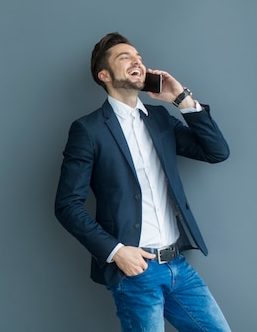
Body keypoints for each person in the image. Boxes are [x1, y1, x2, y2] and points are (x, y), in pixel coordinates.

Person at [54, 32, 231, 332]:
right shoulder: (89, 130)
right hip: (136, 272)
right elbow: (67, 205)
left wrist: (181, 98)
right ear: (104, 75)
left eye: (139, 57)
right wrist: (116, 252)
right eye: (125, 58)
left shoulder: (160, 119)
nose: (137, 61)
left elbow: (216, 151)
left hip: (178, 266)